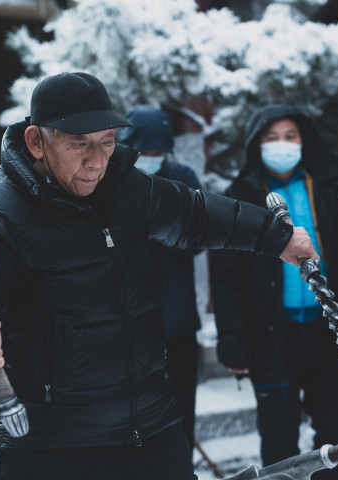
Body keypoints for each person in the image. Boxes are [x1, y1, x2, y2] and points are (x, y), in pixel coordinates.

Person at [0, 72, 318, 480]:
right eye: (79, 143)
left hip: (152, 431)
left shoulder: (122, 186)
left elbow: (195, 215)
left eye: (107, 141)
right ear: (37, 142)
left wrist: (275, 237)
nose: (96, 160)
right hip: (53, 449)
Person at [209, 104, 338, 477]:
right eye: (272, 137)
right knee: (278, 436)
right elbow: (226, 275)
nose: (282, 144)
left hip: (328, 333)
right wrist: (232, 337)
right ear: (257, 145)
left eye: (290, 136)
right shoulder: (240, 196)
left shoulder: (325, 188)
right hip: (270, 336)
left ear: (304, 141)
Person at [118, 105, 204, 449]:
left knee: (182, 412)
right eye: (145, 153)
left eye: (158, 153)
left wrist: (159, 226)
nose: (152, 159)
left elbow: (200, 238)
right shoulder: (111, 181)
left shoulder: (182, 178)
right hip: (127, 325)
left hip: (177, 321)